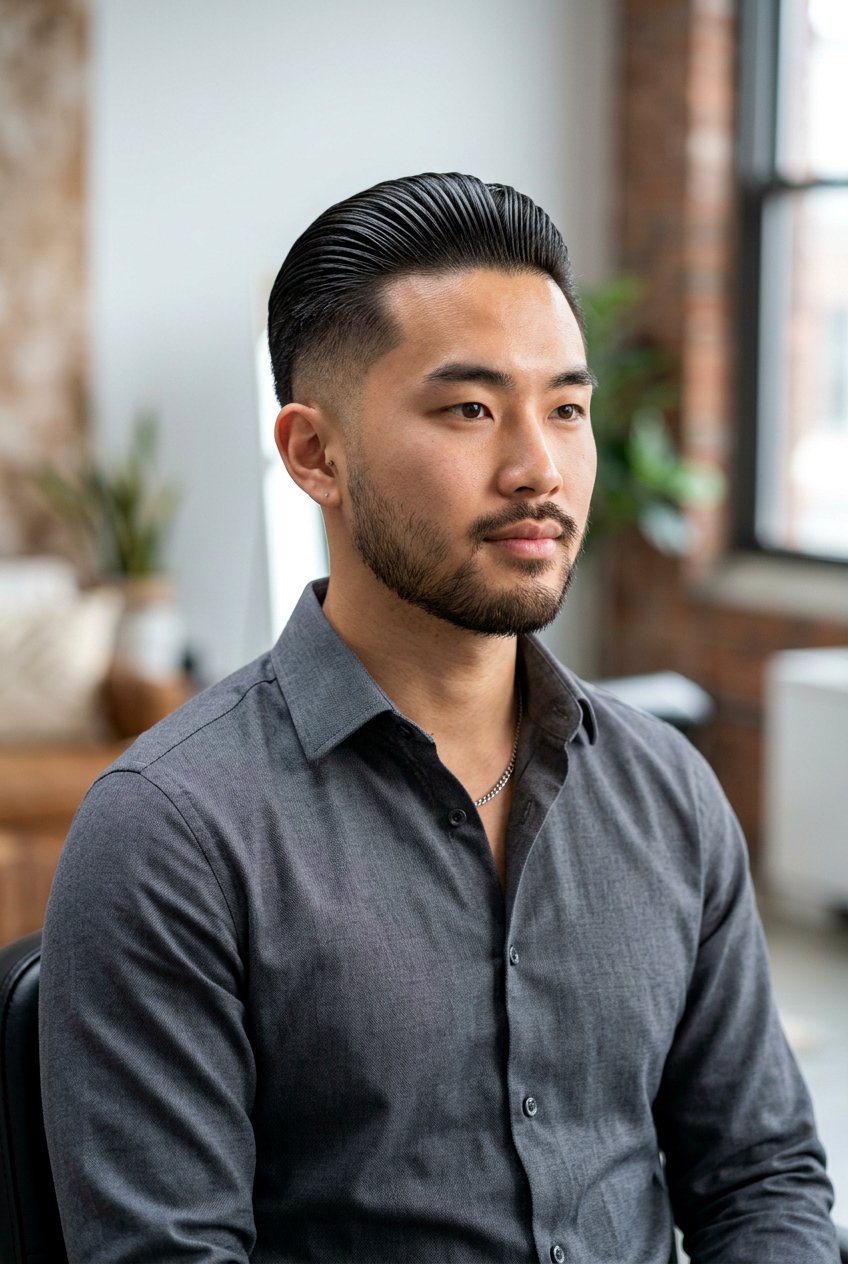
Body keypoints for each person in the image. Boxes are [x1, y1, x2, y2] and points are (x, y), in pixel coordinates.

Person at [39, 172, 839, 1264]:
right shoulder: (170, 832)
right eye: (469, 409)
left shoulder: (664, 788)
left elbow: (762, 1178)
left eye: (564, 407)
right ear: (314, 455)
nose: (538, 469)